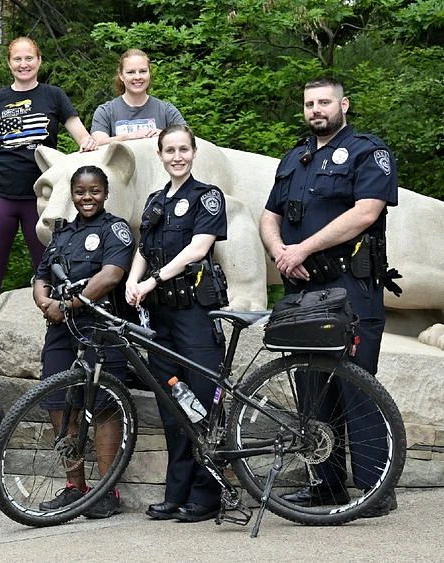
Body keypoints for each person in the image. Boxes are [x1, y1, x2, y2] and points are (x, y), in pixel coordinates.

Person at [259, 77, 400, 517]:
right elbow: (269, 216)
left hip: (349, 288)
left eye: (324, 102)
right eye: (309, 104)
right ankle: (326, 486)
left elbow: (366, 212)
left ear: (344, 104)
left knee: (358, 386)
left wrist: (303, 248)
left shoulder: (367, 151)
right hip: (302, 289)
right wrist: (281, 252)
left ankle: (376, 489)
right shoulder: (294, 157)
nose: (316, 110)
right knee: (311, 389)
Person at [0, 36, 98, 370]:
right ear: (9, 63)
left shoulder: (53, 96)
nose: (23, 64)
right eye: (17, 59)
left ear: (39, 60)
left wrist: (90, 143)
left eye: (29, 58)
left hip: (41, 198)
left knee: (52, 269)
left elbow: (82, 137)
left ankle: (60, 344)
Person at [125, 125, 228, 523]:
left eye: (183, 149)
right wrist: (133, 280)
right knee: (172, 404)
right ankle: (177, 492)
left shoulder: (207, 196)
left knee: (201, 402)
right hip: (161, 317)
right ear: (160, 155)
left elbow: (198, 248)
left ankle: (207, 494)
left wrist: (152, 279)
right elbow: (143, 248)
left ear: (194, 152)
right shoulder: (155, 200)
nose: (177, 157)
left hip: (195, 313)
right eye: (170, 150)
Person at [32, 166, 134, 519]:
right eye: (80, 191)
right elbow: (41, 276)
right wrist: (45, 303)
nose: (87, 197)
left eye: (94, 191)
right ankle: (75, 486)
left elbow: (111, 275)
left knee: (103, 406)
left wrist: (67, 305)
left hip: (101, 328)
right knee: (58, 406)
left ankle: (106, 492)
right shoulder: (61, 234)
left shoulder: (115, 229)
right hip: (61, 329)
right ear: (72, 194)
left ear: (105, 193)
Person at [90, 48, 186, 146]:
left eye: (143, 71)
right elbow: (98, 143)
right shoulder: (105, 111)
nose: (137, 77)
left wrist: (163, 136)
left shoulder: (167, 110)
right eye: (131, 72)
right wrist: (131, 136)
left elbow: (187, 138)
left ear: (149, 74)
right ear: (121, 76)